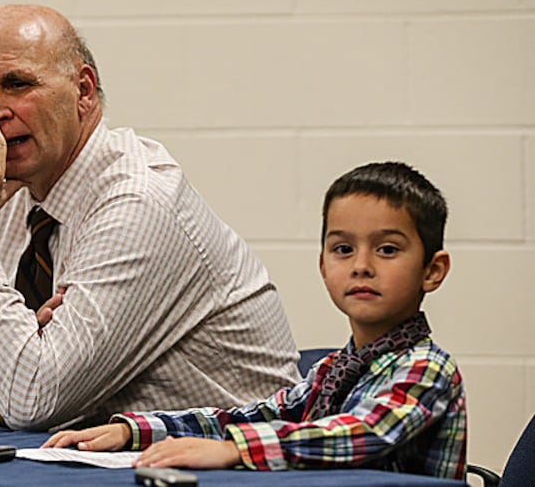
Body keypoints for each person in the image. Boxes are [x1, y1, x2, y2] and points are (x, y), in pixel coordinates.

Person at [0, 4, 299, 431]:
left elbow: (31, 398)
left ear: (83, 91)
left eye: (17, 84)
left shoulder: (140, 201)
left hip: (241, 467)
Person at [43, 161, 467, 480]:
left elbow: (361, 434)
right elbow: (250, 417)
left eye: (387, 249)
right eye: (343, 249)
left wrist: (234, 451)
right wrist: (136, 431)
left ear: (433, 270)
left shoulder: (426, 369)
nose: (361, 266)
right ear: (322, 265)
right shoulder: (334, 370)